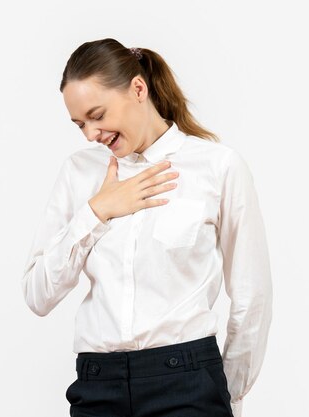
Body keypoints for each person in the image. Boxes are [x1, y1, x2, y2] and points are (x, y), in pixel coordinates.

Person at [21, 38, 273, 417]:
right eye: (80, 124)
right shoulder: (80, 172)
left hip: (188, 384)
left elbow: (252, 295)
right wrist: (97, 211)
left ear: (138, 89)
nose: (91, 134)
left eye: (97, 114)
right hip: (97, 385)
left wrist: (229, 393)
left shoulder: (217, 166)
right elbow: (38, 294)